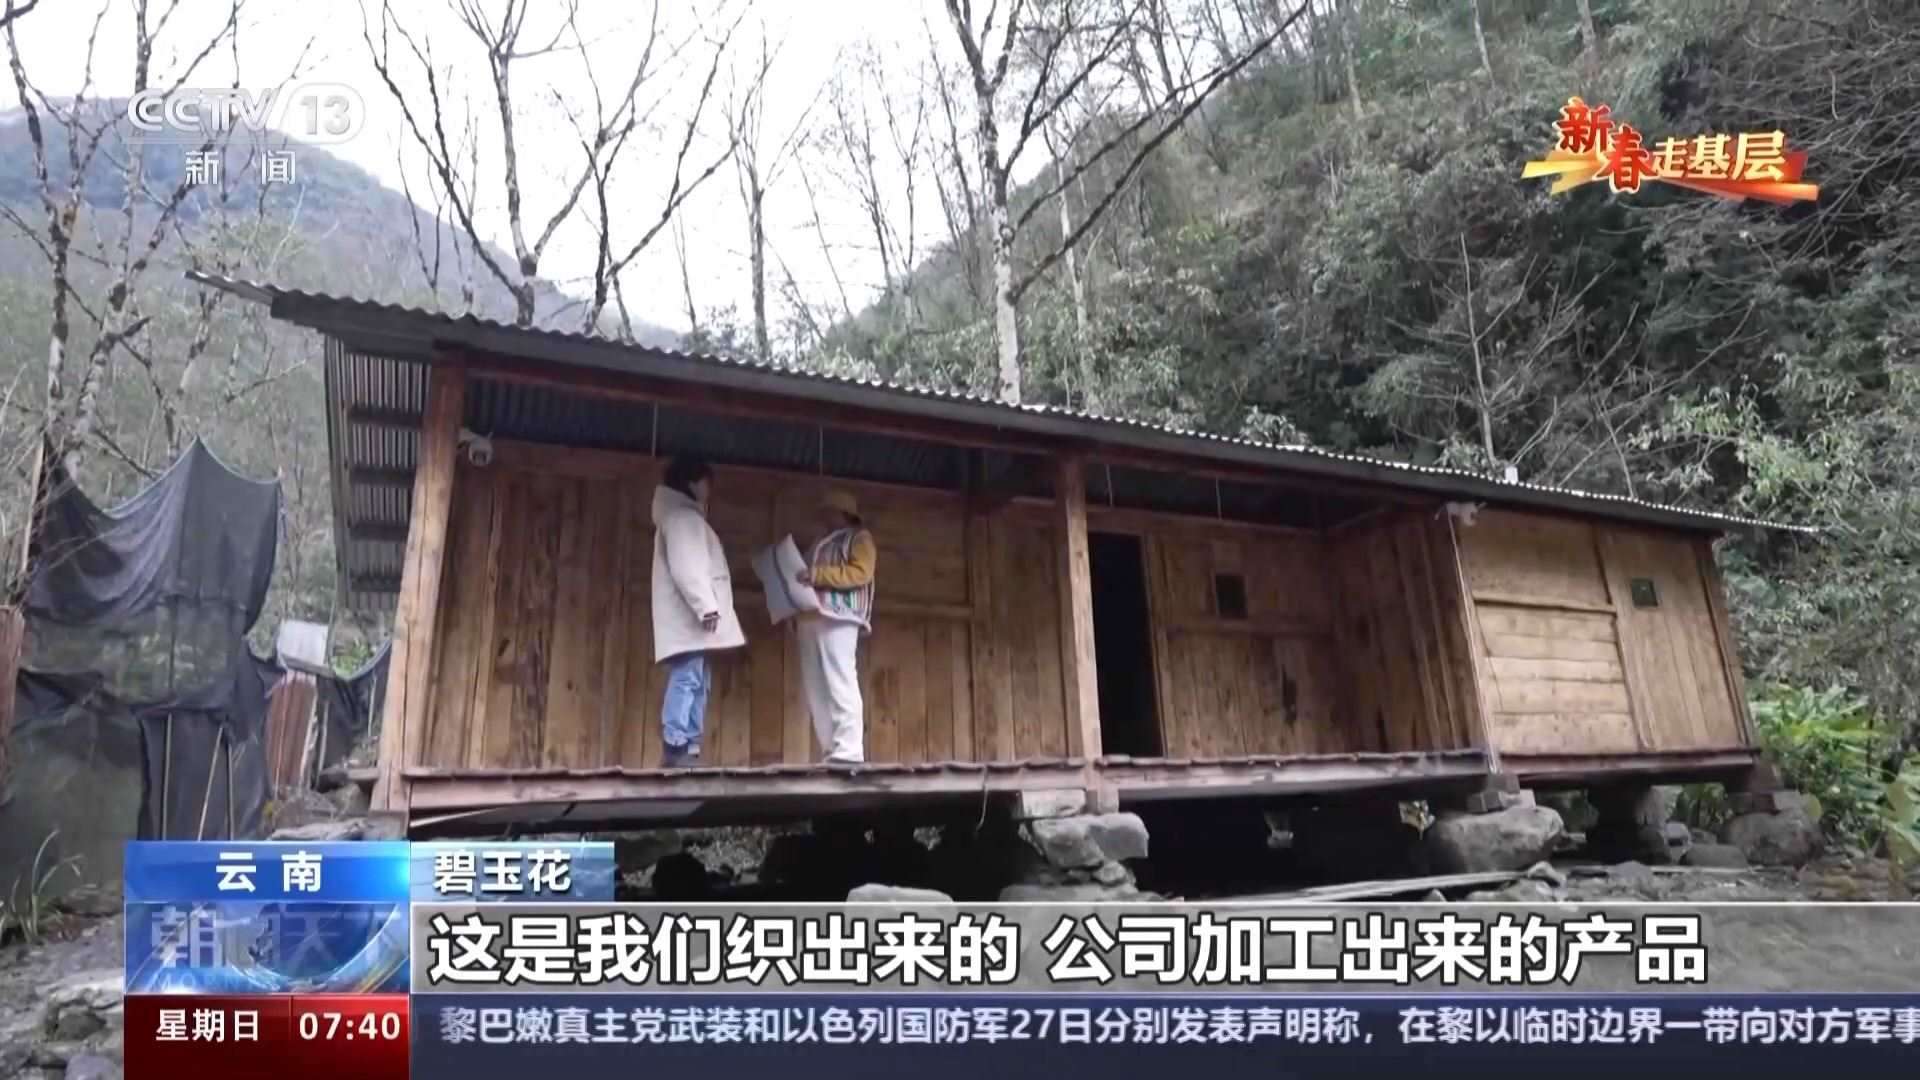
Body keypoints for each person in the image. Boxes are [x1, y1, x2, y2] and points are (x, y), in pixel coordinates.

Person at [650, 455, 745, 767]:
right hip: (690, 618)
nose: (709, 488)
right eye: (706, 482)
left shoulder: (683, 518)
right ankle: (676, 744)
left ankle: (688, 746)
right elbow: (688, 567)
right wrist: (706, 607)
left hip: (691, 620)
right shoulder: (682, 519)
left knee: (697, 679)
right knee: (688, 678)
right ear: (692, 483)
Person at [794, 489, 877, 764]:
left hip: (841, 617)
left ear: (843, 513)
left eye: (828, 511)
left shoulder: (859, 538)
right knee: (816, 686)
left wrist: (818, 575)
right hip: (812, 616)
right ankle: (832, 750)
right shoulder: (820, 541)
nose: (824, 517)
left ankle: (849, 750)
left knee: (839, 680)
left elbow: (861, 573)